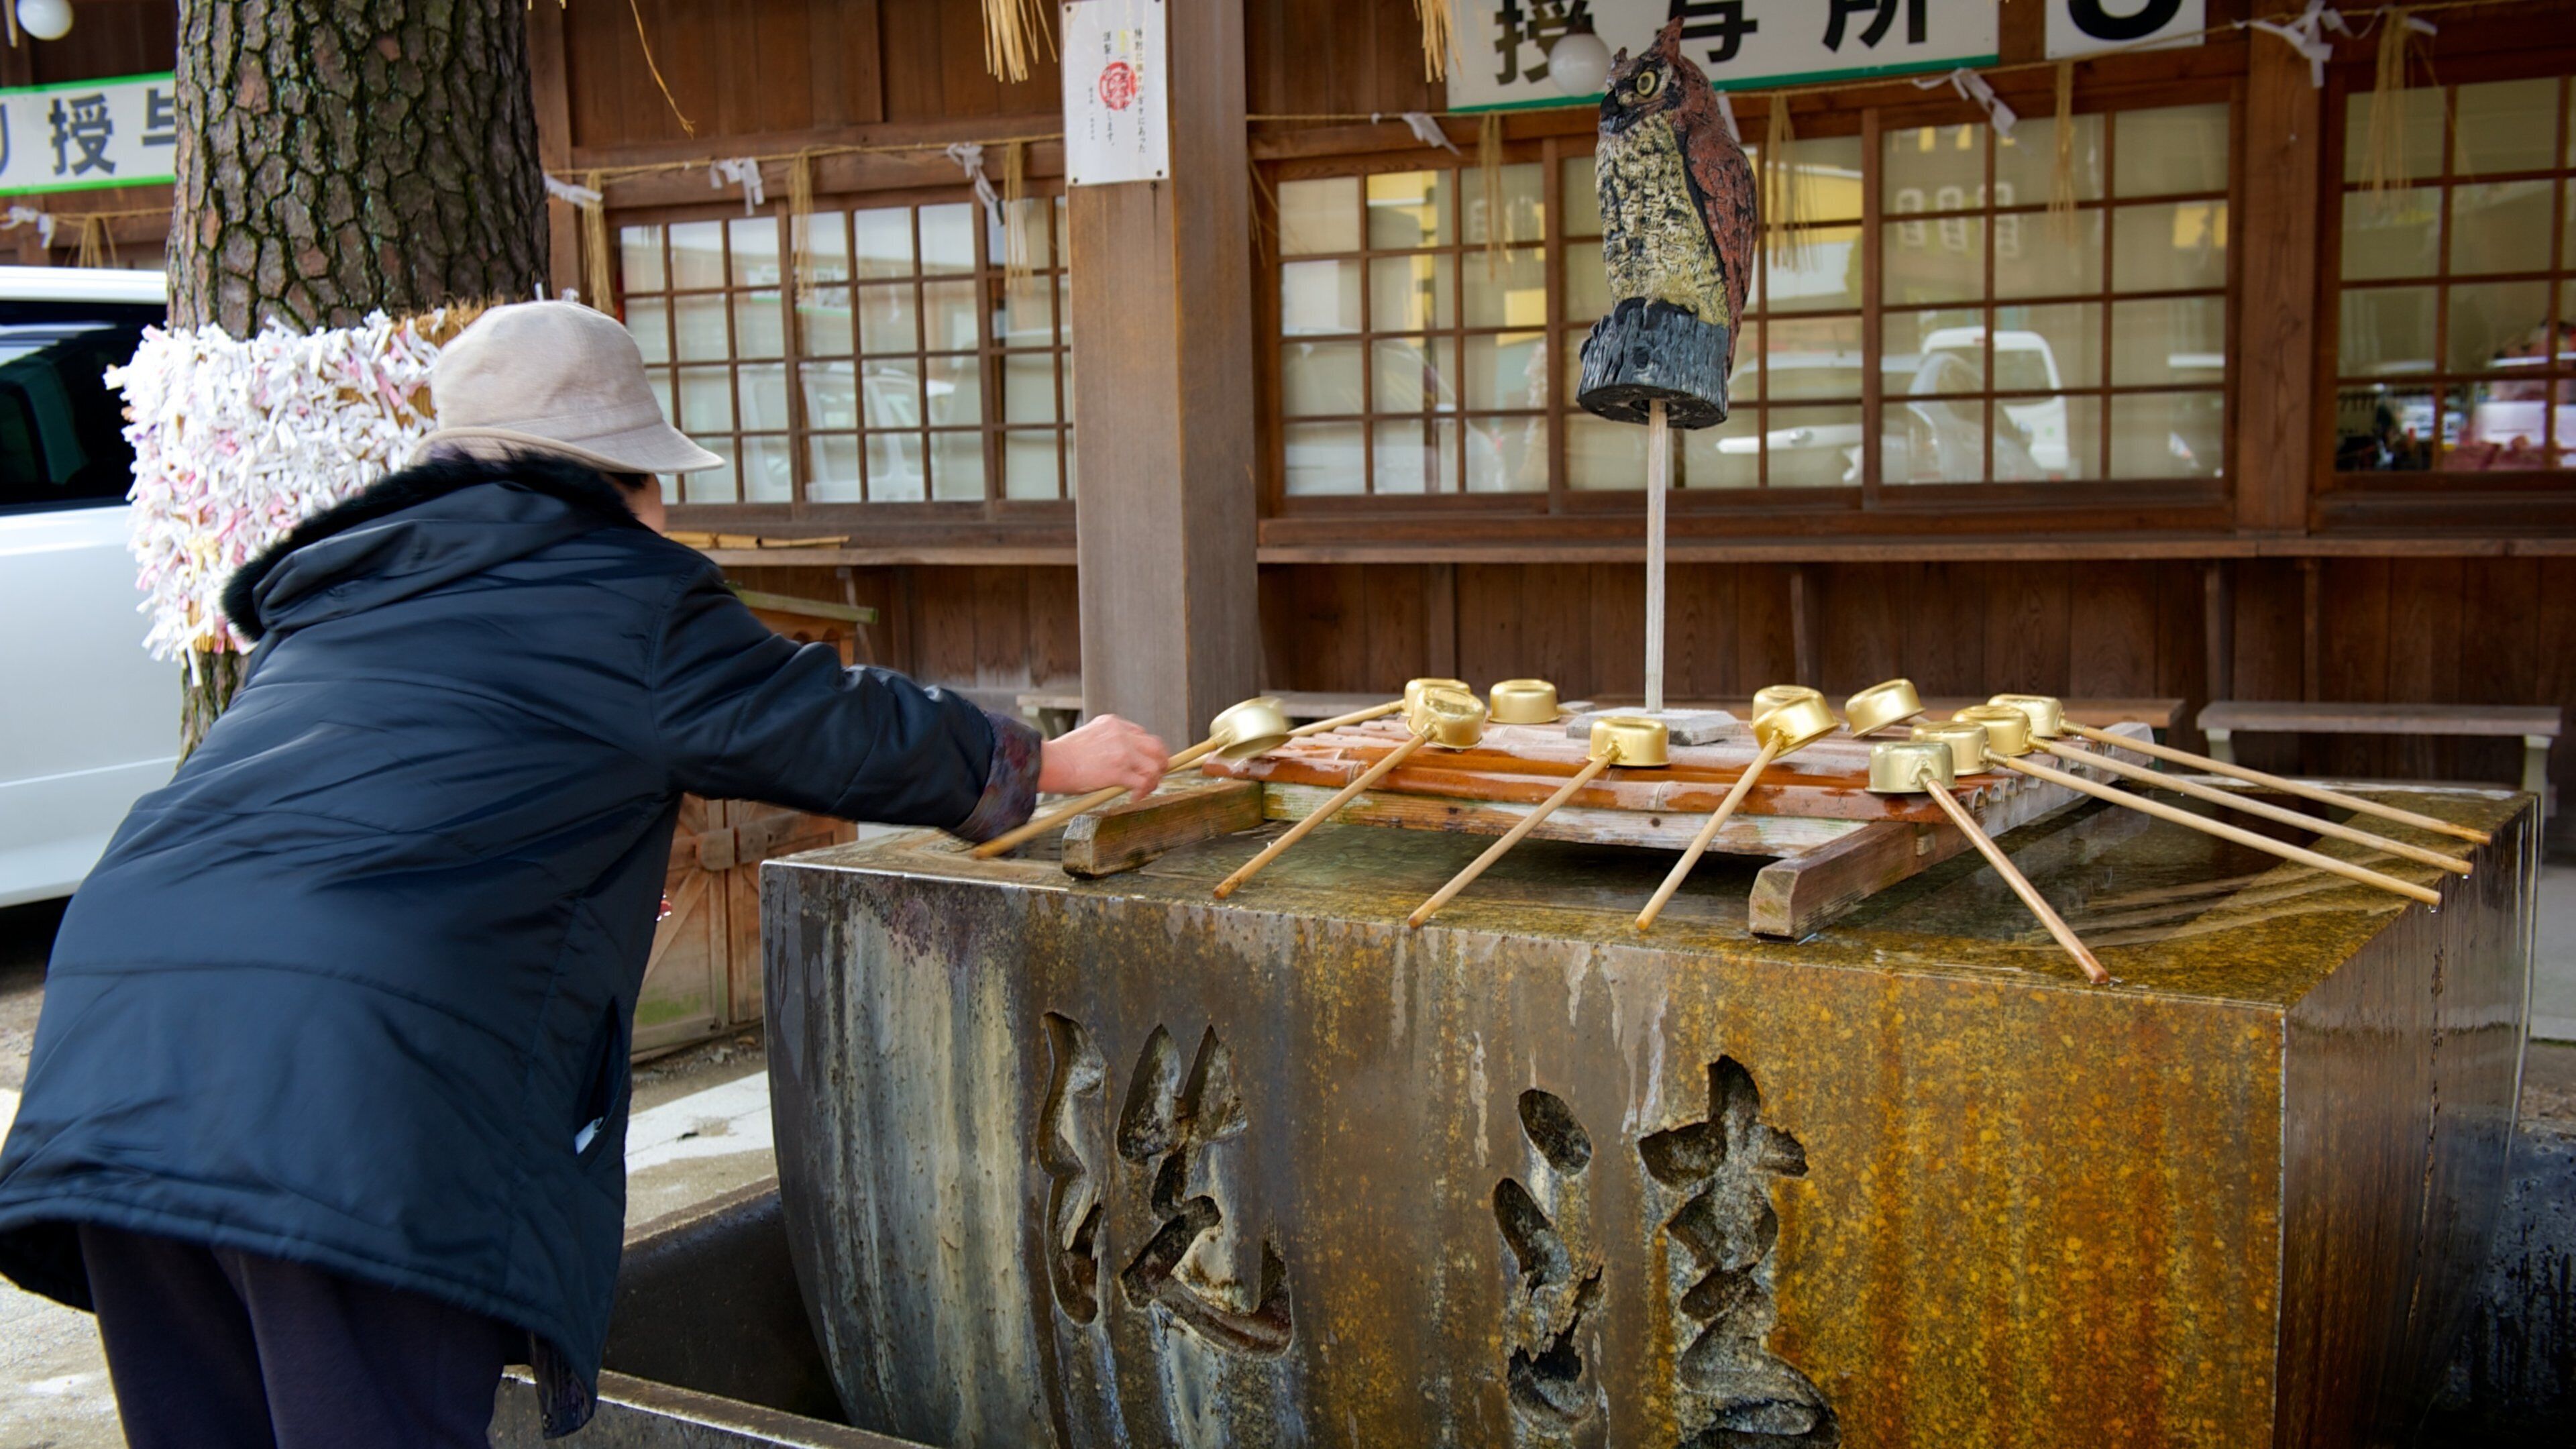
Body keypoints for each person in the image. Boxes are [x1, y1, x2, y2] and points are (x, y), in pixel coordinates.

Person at [0, 301, 1168, 1446]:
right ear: (623, 481)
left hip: (116, 1052)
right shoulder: (621, 590)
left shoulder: (344, 601)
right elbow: (822, 719)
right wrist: (1046, 759)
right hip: (346, 1089)